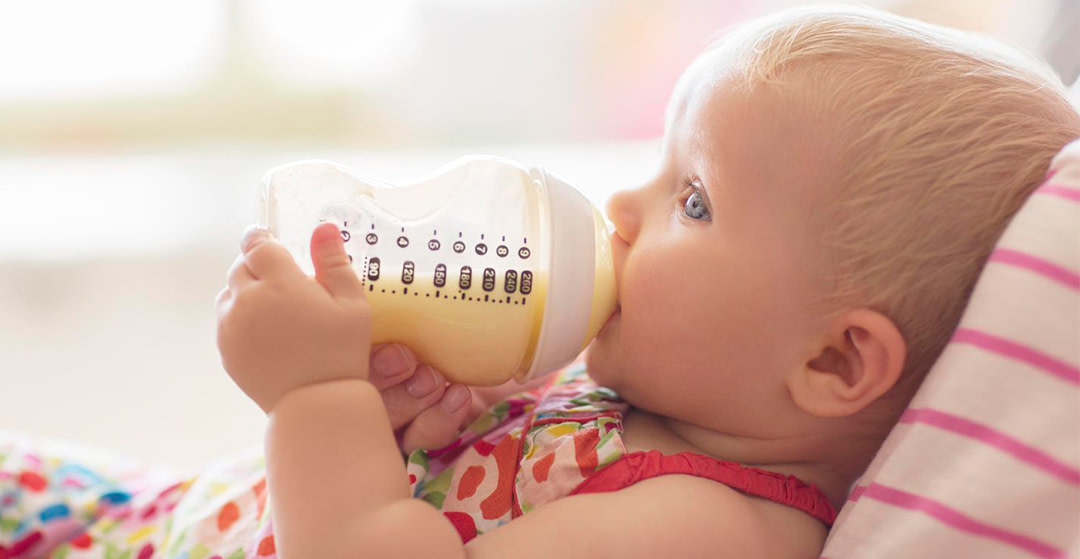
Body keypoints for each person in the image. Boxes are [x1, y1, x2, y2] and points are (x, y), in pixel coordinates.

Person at [4, 5, 1078, 559]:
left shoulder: (709, 530)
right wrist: (413, 426)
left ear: (834, 360)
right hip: (145, 514)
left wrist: (313, 399)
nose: (621, 211)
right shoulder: (650, 403)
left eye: (692, 200)